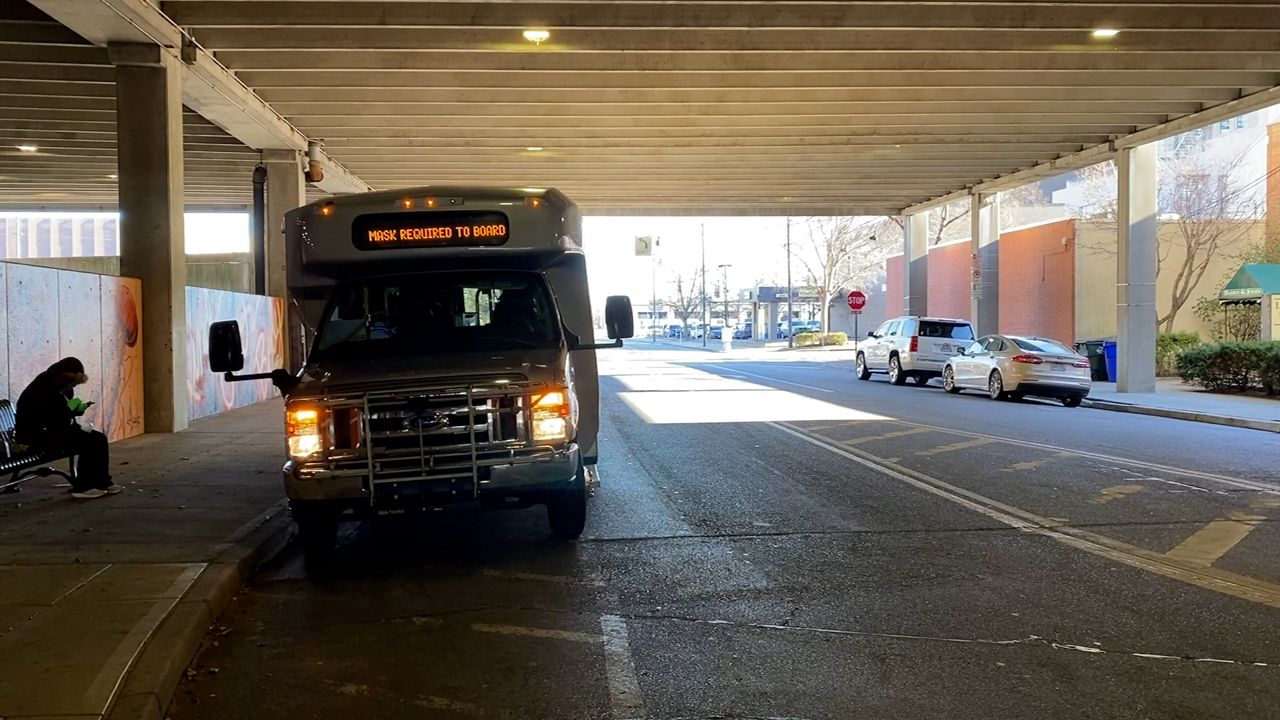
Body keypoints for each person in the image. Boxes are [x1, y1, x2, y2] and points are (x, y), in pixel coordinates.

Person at [16, 357, 120, 499]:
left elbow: (61, 417)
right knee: (88, 442)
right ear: (62, 377)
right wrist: (69, 413)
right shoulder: (40, 389)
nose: (72, 387)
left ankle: (103, 481)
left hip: (54, 431)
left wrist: (75, 411)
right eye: (71, 383)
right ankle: (84, 486)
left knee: (99, 438)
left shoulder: (62, 388)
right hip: (35, 437)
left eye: (75, 385)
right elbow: (47, 418)